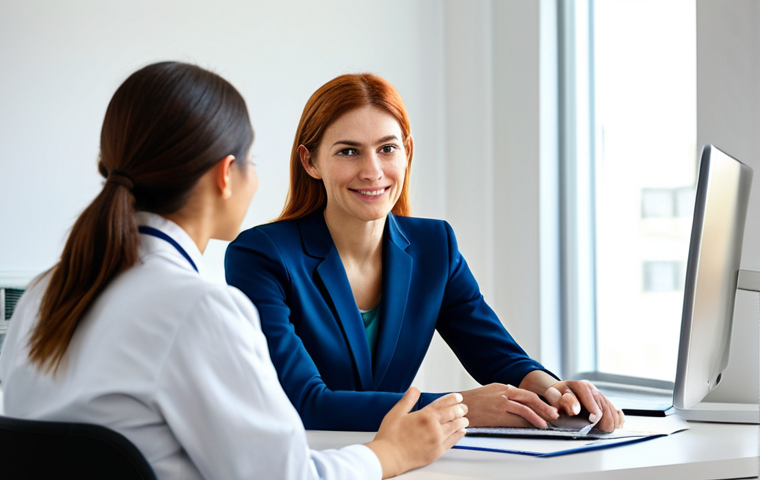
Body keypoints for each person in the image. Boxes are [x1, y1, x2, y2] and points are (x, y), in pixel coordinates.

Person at [0, 62, 469, 480]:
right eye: (252, 160)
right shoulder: (200, 310)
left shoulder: (43, 294)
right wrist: (389, 454)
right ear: (227, 174)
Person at [225, 73, 625, 433]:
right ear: (310, 162)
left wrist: (554, 390)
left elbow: (498, 357)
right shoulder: (261, 256)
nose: (372, 171)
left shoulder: (436, 246)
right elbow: (305, 403)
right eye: (349, 151)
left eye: (387, 148)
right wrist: (461, 407)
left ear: (408, 152)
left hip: (400, 464)